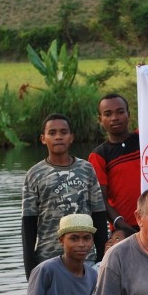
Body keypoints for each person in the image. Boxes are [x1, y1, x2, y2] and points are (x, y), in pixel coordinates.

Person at [22, 113, 109, 279]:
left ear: (71, 137)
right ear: (43, 138)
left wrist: (101, 257)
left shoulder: (86, 169)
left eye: (63, 132)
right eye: (52, 133)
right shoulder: (34, 174)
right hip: (48, 259)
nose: (58, 137)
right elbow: (28, 223)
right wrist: (30, 269)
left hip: (86, 259)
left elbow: (98, 213)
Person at [88, 93, 141, 236]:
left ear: (128, 114)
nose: (114, 118)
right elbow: (100, 198)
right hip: (124, 229)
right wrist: (121, 224)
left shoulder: (145, 139)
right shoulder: (99, 155)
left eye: (120, 112)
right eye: (108, 114)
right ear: (100, 119)